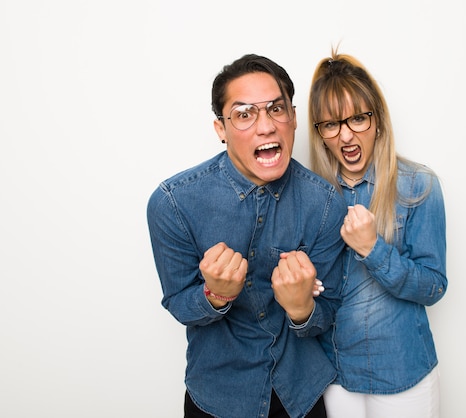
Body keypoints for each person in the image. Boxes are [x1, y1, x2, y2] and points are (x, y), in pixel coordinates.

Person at [147, 54, 346, 418]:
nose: (266, 126)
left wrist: (302, 309)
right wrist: (215, 295)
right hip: (218, 397)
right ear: (220, 128)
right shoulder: (173, 203)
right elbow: (178, 302)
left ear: (294, 118)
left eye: (276, 109)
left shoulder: (326, 203)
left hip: (300, 395)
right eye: (244, 114)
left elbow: (328, 311)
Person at [307, 50, 448, 418]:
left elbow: (434, 286)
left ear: (379, 121)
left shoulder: (418, 186)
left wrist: (374, 249)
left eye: (358, 118)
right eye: (332, 124)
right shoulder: (310, 197)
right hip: (335, 376)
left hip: (403, 373)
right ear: (320, 133)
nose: (347, 135)